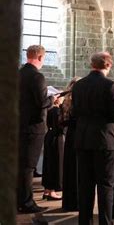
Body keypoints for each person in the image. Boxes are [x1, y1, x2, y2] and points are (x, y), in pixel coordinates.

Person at [72, 52, 114, 225]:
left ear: (92, 65)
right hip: (105, 142)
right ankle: (105, 223)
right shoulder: (110, 85)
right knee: (105, 186)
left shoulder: (78, 86)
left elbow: (76, 112)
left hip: (83, 140)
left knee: (85, 186)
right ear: (108, 65)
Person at [18, 45, 56, 213]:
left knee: (21, 166)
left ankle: (17, 200)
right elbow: (41, 103)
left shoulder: (19, 74)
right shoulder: (37, 76)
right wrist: (53, 100)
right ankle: (26, 203)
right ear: (40, 57)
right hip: (33, 129)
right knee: (28, 168)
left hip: (18, 126)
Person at [61, 77, 80, 211]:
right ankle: (77, 202)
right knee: (78, 170)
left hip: (69, 136)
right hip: (79, 135)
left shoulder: (65, 102)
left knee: (69, 168)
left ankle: (68, 202)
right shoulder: (79, 101)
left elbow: (62, 122)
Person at [42, 95, 64, 200]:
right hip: (56, 138)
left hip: (49, 136)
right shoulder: (57, 111)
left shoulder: (49, 110)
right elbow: (60, 126)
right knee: (55, 164)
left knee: (48, 163)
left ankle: (47, 190)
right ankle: (52, 191)